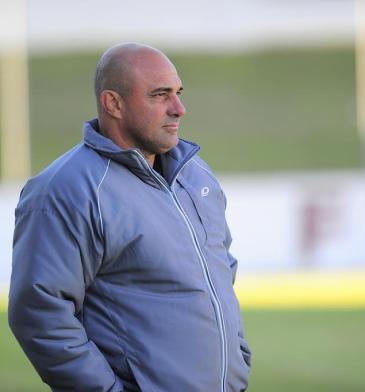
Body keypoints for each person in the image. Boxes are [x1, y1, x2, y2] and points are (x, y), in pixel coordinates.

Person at [8, 43, 251, 392]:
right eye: (160, 95)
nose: (179, 109)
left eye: (178, 93)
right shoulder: (66, 189)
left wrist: (237, 360)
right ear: (113, 103)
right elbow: (40, 313)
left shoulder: (195, 174)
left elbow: (220, 272)